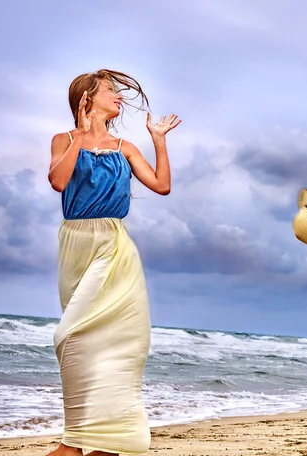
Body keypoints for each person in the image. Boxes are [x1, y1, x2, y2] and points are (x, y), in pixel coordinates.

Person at [47, 69, 181, 456]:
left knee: (70, 334)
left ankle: (75, 441)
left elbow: (161, 185)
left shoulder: (125, 147)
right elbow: (58, 181)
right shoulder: (62, 140)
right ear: (88, 97)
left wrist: (158, 141)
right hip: (74, 243)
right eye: (111, 91)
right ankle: (99, 443)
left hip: (113, 244)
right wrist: (80, 133)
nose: (119, 97)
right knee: (89, 344)